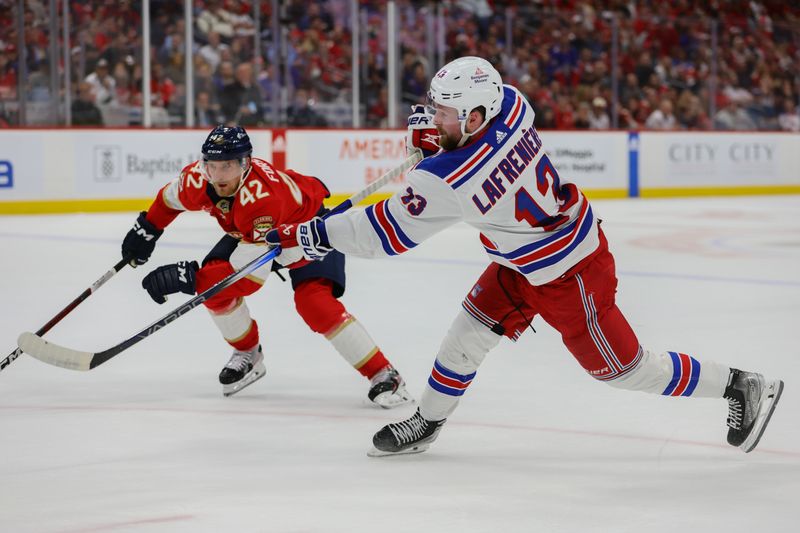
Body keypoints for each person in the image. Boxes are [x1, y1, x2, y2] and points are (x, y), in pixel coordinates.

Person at [266, 56, 784, 456]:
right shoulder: (513, 108)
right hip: (527, 257)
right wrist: (446, 139)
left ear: (473, 115)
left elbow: (385, 234)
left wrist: (316, 233)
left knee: (623, 369)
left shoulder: (448, 178)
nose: (433, 117)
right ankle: (428, 421)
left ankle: (742, 384)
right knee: (464, 335)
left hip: (569, 273)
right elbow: (473, 131)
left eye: (444, 112)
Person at [120, 125, 412, 407]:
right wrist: (147, 229)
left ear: (245, 165)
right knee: (214, 291)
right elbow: (169, 199)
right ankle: (248, 353)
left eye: (229, 166)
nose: (219, 175)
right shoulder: (198, 180)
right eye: (213, 165)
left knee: (314, 303)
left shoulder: (263, 200)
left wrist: (189, 279)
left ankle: (385, 374)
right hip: (251, 235)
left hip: (306, 230)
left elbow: (248, 278)